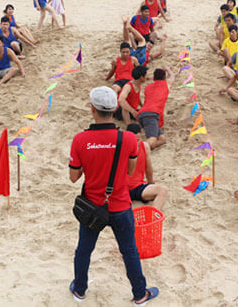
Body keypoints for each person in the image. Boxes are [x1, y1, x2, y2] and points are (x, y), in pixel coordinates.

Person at [68, 86, 159, 304]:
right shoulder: (127, 139)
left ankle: (79, 290)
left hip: (93, 205)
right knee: (129, 251)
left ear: (92, 109)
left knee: (84, 250)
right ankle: (139, 294)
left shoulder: (80, 140)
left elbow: (73, 177)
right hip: (119, 204)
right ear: (115, 108)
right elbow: (129, 171)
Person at [126, 123, 168, 210]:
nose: (136, 143)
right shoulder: (120, 147)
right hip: (122, 190)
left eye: (138, 140)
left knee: (162, 190)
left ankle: (153, 216)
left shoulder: (144, 146)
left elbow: (148, 168)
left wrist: (151, 183)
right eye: (133, 140)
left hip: (138, 187)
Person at [136, 67, 174, 150]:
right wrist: (167, 69)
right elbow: (172, 77)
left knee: (162, 139)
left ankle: (146, 146)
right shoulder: (166, 85)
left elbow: (150, 79)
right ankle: (137, 150)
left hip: (143, 114)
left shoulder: (147, 87)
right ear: (164, 78)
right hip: (151, 114)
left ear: (154, 78)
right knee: (152, 139)